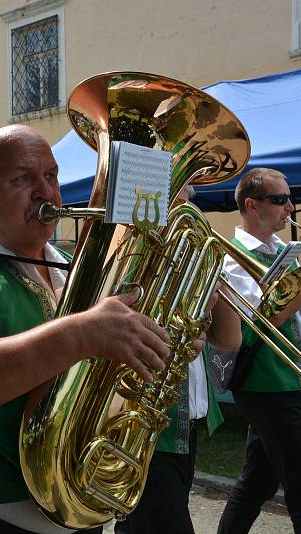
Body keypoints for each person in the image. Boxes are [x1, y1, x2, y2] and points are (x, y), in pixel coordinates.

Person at [0, 124, 180, 534]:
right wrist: (83, 332)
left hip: (81, 509)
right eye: (23, 179)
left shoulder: (73, 269)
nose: (47, 193)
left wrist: (156, 340)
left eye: (51, 176)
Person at [216, 168, 301, 534]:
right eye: (280, 200)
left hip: (289, 376)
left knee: (258, 483)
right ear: (252, 205)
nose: (290, 208)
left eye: (289, 199)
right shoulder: (233, 258)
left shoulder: (284, 251)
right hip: (264, 379)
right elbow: (270, 317)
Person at [114, 186, 242, 534]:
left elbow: (230, 340)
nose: (190, 196)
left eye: (188, 193)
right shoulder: (130, 257)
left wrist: (215, 279)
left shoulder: (190, 259)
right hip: (144, 424)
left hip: (184, 427)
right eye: (178, 190)